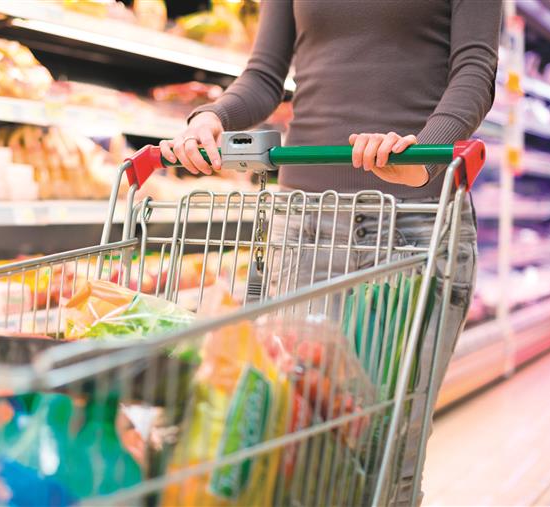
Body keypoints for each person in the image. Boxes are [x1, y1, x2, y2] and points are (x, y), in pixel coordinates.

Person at [160, 1, 502, 504]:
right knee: (292, 428)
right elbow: (265, 73)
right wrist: (214, 116)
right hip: (305, 224)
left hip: (412, 224)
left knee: (385, 446)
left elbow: (475, 68)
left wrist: (425, 156)